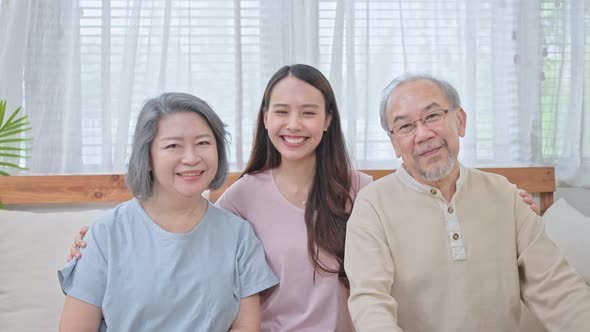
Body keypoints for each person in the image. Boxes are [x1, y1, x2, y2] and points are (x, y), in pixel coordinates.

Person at [65, 66, 540, 331]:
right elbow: (187, 232)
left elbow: (428, 222)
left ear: (328, 120)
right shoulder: (241, 199)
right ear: (266, 120)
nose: (294, 125)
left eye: (308, 112)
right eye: (282, 112)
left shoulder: (362, 191)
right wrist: (101, 241)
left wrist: (501, 201)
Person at [344, 74, 590, 331]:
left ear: (460, 121)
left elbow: (557, 287)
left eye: (432, 116)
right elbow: (370, 303)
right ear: (394, 143)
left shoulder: (505, 195)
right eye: (405, 126)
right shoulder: (372, 205)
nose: (423, 134)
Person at [58, 93, 278, 331]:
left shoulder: (239, 236)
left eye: (203, 143)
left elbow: (246, 327)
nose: (192, 158)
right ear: (148, 156)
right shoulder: (104, 235)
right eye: (173, 146)